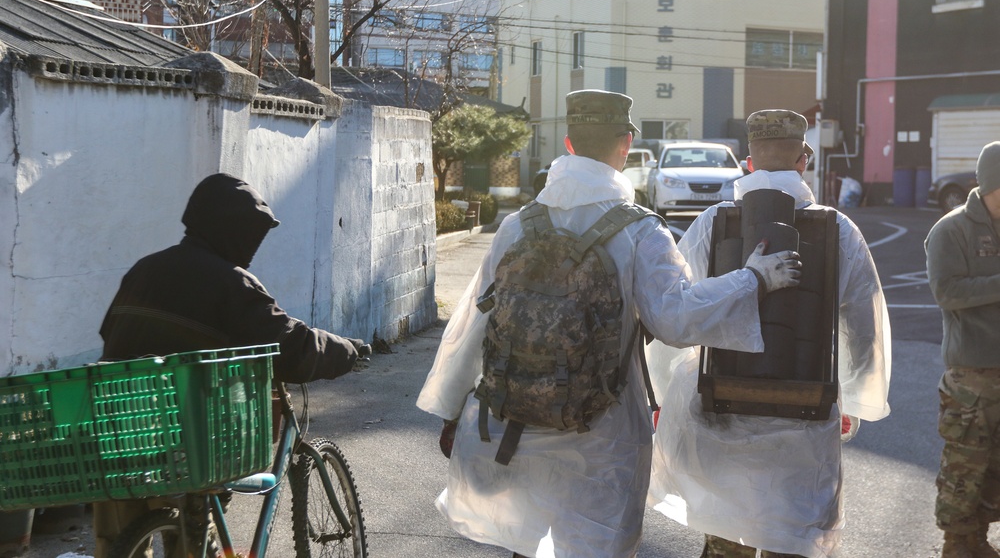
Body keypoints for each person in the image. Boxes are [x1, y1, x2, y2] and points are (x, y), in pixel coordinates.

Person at [416, 90, 802, 558]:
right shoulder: (639, 231)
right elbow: (676, 320)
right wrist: (752, 279)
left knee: (524, 547)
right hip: (603, 435)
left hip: (515, 426)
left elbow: (475, 324)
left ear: (568, 143)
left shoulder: (518, 225)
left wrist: (451, 409)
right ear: (625, 144)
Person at [646, 109, 891, 558]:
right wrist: (853, 400)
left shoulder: (712, 223)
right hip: (804, 416)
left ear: (748, 162)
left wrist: (665, 396)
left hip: (719, 408)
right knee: (791, 537)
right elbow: (864, 327)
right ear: (804, 161)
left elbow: (674, 315)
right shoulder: (838, 228)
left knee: (726, 538)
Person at [94, 172, 371, 557]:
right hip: (186, 439)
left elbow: (109, 335)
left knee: (120, 539)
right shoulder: (231, 283)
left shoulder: (144, 270)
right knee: (201, 502)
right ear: (231, 231)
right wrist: (347, 350)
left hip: (120, 432)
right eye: (252, 234)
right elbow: (293, 347)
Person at [926, 141, 1000, 558]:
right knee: (964, 467)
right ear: (990, 184)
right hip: (971, 376)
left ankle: (979, 538)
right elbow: (946, 291)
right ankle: (956, 544)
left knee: (995, 469)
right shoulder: (950, 230)